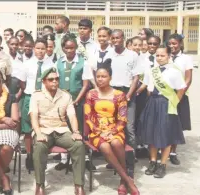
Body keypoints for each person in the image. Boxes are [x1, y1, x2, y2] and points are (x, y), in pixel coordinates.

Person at [85, 59, 140, 195]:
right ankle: (128, 181)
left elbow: (122, 119)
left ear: (110, 77)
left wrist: (112, 131)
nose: (100, 79)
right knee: (104, 146)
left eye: (104, 76)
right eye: (98, 77)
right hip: (96, 132)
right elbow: (88, 117)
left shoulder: (119, 95)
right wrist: (100, 132)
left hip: (115, 130)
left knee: (115, 142)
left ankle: (123, 181)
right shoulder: (91, 94)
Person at [30, 67, 86, 195]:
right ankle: (40, 184)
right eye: (51, 79)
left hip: (61, 130)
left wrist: (76, 131)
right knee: (39, 146)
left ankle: (79, 185)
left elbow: (72, 116)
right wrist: (38, 133)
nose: (54, 82)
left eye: (56, 79)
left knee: (78, 145)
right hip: (43, 130)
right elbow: (33, 116)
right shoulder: (36, 95)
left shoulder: (66, 95)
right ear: (44, 81)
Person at [139, 45, 186, 179]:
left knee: (166, 134)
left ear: (169, 56)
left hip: (166, 104)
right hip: (153, 103)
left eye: (162, 55)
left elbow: (181, 89)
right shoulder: (151, 71)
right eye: (157, 56)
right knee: (152, 133)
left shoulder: (174, 72)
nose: (159, 58)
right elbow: (148, 88)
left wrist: (174, 103)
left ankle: (163, 164)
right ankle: (153, 161)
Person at [55, 34, 95, 171]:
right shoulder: (59, 62)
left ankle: (80, 160)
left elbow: (85, 85)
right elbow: (56, 82)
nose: (70, 50)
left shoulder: (84, 62)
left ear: (76, 48)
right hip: (62, 101)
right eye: (67, 48)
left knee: (78, 129)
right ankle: (64, 159)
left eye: (72, 48)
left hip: (79, 100)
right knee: (64, 128)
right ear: (63, 48)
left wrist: (76, 100)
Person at [18, 38, 55, 171]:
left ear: (47, 49)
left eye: (43, 48)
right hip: (30, 97)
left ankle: (41, 156)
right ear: (34, 49)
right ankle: (29, 154)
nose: (40, 51)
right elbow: (22, 82)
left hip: (44, 98)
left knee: (43, 127)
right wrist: (31, 93)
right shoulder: (27, 64)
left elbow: (53, 84)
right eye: (38, 48)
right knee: (28, 129)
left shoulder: (51, 65)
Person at [109, 29, 141, 177]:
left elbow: (136, 77)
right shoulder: (109, 54)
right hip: (112, 93)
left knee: (129, 128)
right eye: (113, 38)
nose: (116, 41)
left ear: (123, 39)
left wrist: (128, 95)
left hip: (128, 93)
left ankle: (130, 164)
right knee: (114, 127)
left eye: (118, 38)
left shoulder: (132, 55)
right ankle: (115, 160)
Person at [167, 34, 193, 165]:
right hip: (166, 94)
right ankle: (163, 150)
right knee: (166, 123)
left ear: (180, 44)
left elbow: (188, 78)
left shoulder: (186, 59)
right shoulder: (165, 56)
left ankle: (173, 152)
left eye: (174, 43)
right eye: (170, 44)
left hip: (180, 95)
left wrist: (180, 94)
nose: (172, 46)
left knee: (177, 124)